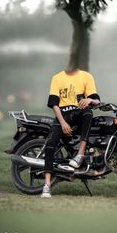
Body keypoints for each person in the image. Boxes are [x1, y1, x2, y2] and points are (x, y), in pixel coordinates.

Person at [41, 68, 100, 198]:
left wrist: (90, 100)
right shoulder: (57, 77)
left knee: (88, 113)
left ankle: (80, 154)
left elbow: (97, 100)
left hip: (78, 114)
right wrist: (62, 123)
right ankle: (47, 186)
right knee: (50, 144)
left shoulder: (87, 76)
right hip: (62, 116)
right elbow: (54, 104)